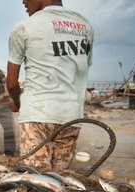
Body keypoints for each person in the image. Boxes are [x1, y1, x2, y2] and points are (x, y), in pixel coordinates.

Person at [7, 0, 94, 170]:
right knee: (58, 180)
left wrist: (17, 104)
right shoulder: (86, 26)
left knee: (36, 183)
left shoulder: (25, 27)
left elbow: (11, 84)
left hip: (37, 115)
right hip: (72, 117)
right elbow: (81, 70)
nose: (23, 1)